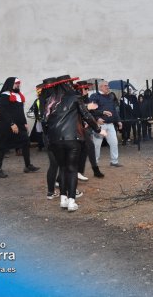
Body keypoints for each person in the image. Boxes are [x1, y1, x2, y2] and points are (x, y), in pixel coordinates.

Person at [44, 75, 106, 212]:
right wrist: (98, 129)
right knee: (72, 169)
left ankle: (63, 199)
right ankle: (71, 201)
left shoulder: (49, 101)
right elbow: (86, 115)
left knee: (63, 168)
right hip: (72, 139)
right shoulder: (75, 98)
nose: (72, 85)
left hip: (55, 140)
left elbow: (45, 122)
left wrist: (50, 139)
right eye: (70, 83)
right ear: (66, 85)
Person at [0, 77, 39, 178]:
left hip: (20, 125)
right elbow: (4, 111)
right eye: (16, 84)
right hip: (7, 125)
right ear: (10, 84)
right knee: (2, 147)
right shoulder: (5, 95)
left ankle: (28, 166)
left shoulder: (18, 95)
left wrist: (25, 122)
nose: (18, 85)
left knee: (26, 142)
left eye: (19, 84)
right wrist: (12, 124)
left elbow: (20, 111)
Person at [89, 80, 122, 167]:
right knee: (97, 145)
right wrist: (97, 119)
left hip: (110, 125)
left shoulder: (110, 96)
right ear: (100, 87)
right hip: (100, 125)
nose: (108, 87)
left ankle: (114, 161)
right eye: (106, 86)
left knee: (114, 143)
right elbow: (90, 110)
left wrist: (118, 120)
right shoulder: (94, 96)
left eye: (108, 86)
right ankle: (95, 163)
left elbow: (114, 110)